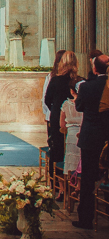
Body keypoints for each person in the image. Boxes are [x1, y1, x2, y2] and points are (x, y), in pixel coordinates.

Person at [73, 54, 109, 229]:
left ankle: (86, 218)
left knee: (88, 178)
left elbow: (79, 107)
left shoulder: (87, 86)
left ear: (94, 69)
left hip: (91, 136)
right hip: (105, 136)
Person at [45, 51, 83, 180]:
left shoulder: (55, 80)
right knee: (74, 151)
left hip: (57, 119)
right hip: (75, 120)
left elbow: (47, 99)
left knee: (57, 149)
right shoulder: (79, 81)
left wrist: (56, 110)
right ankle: (74, 181)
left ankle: (57, 184)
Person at [60, 81, 83, 175]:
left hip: (71, 135)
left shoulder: (66, 104)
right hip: (83, 134)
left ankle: (70, 182)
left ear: (72, 91)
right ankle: (80, 184)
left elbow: (62, 125)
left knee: (71, 158)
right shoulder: (87, 104)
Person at [42, 49, 66, 139]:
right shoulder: (51, 77)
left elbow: (46, 97)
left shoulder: (53, 77)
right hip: (54, 114)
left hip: (58, 114)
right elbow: (46, 97)